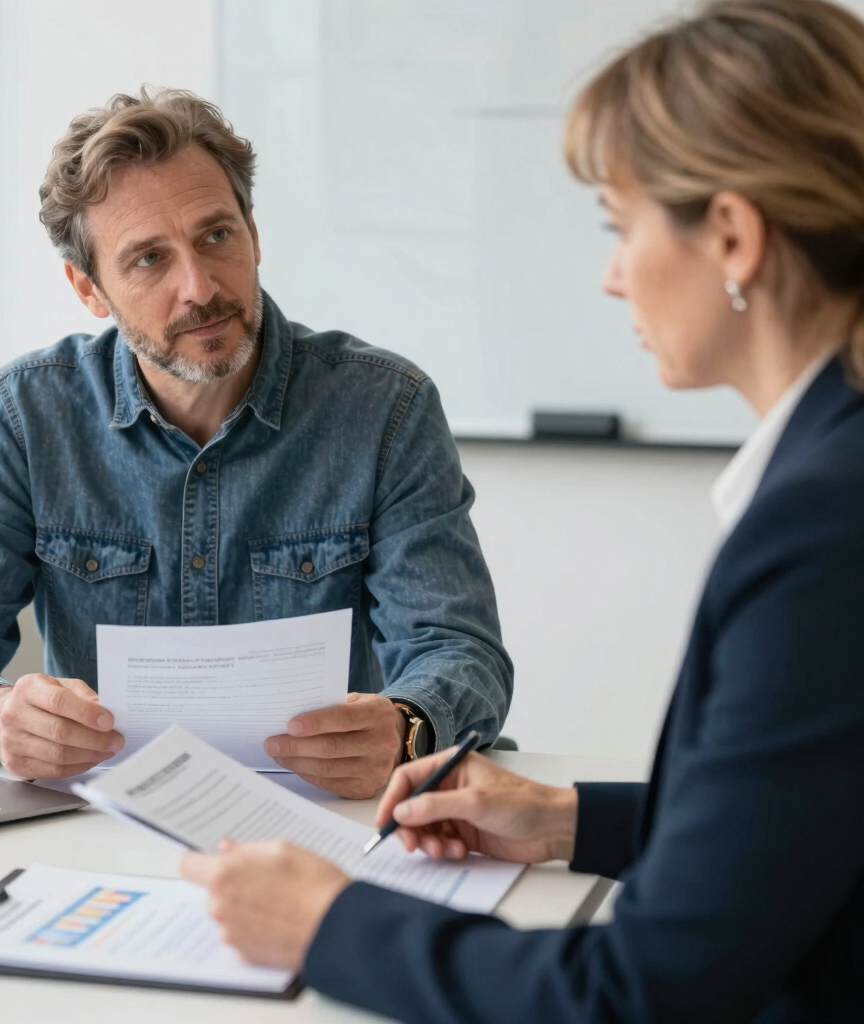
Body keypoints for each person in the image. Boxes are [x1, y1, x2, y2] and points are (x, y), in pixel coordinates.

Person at [179, 1, 864, 1019]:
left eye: (619, 225)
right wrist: (562, 819)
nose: (609, 273)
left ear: (729, 234)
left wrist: (329, 927)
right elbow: (801, 826)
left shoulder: (820, 530)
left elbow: (634, 994)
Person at [0, 89, 512, 793]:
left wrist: (406, 726)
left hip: (328, 822)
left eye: (216, 236)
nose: (199, 287)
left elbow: (459, 652)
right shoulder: (25, 415)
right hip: (102, 826)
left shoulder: (386, 409)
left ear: (254, 234)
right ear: (89, 289)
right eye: (149, 259)